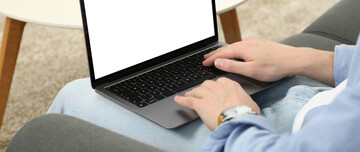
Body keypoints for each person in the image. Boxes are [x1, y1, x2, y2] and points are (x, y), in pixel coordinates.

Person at [48, 37, 360, 151]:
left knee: (74, 95)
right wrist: (305, 58)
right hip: (326, 103)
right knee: (221, 56)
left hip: (278, 139)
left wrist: (235, 116)